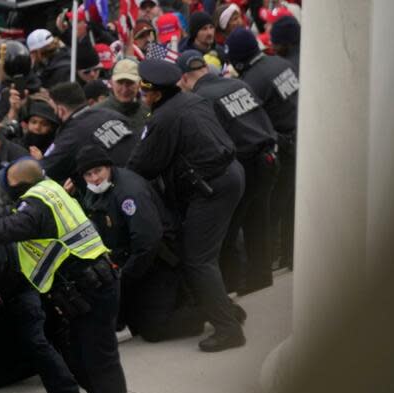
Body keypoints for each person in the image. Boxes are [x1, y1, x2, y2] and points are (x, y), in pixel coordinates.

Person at [0, 158, 129, 393]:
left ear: (20, 185)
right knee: (84, 356)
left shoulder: (36, 205)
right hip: (88, 284)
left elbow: (10, 227)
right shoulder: (48, 190)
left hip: (90, 286)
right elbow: (9, 215)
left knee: (100, 360)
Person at [127, 59, 246, 352]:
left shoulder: (163, 118)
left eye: (145, 90)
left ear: (155, 93)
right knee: (207, 254)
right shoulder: (193, 100)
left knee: (198, 259)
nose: (143, 95)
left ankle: (229, 330)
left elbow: (143, 164)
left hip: (211, 188)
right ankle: (227, 311)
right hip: (231, 175)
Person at [76, 145, 208, 342]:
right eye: (88, 174)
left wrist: (126, 276)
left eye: (98, 171)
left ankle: (211, 311)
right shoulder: (95, 191)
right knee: (137, 320)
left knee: (154, 329)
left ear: (109, 167)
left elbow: (148, 239)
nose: (94, 178)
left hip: (157, 259)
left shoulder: (129, 191)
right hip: (134, 258)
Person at [177, 49, 279, 295]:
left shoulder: (202, 99)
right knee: (258, 222)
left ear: (184, 78)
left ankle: (234, 286)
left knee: (228, 232)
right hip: (268, 159)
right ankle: (261, 279)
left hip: (241, 166)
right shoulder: (237, 84)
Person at [226, 27, 299, 270]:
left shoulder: (251, 82)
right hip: (300, 140)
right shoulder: (280, 62)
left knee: (271, 211)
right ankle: (290, 256)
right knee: (292, 207)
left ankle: (268, 263)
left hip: (283, 148)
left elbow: (250, 123)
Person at [43, 82, 135, 186]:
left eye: (53, 109)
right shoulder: (112, 114)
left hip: (113, 191)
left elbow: (44, 171)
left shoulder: (70, 137)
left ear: (61, 110)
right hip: (140, 179)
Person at [94, 59, 149, 131]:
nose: (124, 89)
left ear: (139, 84)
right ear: (111, 83)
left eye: (130, 83)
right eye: (120, 82)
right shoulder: (96, 114)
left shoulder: (149, 112)